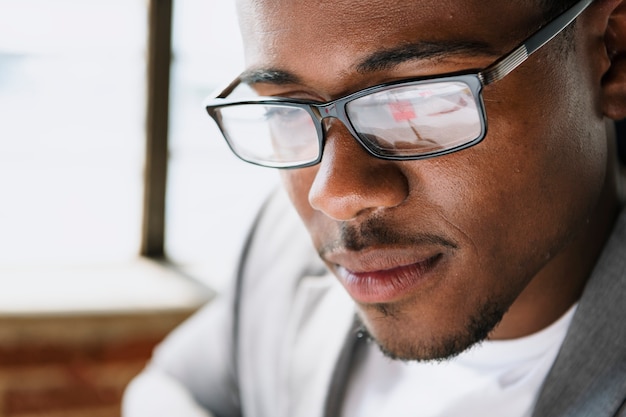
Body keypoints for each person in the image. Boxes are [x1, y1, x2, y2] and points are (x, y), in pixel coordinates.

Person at [123, 0, 626, 415]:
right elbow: (171, 387)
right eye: (285, 107)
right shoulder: (281, 244)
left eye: (419, 103)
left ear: (612, 55)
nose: (335, 195)